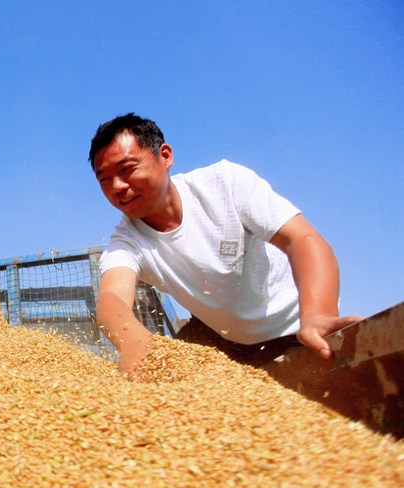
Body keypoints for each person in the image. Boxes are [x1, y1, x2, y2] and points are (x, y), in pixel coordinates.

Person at [89, 113, 361, 373]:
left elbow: (301, 239)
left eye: (126, 169)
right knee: (165, 377)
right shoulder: (127, 241)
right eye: (104, 179)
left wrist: (318, 315)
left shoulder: (225, 184)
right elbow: (113, 298)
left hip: (294, 324)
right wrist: (134, 341)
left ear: (165, 156)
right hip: (225, 335)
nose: (117, 187)